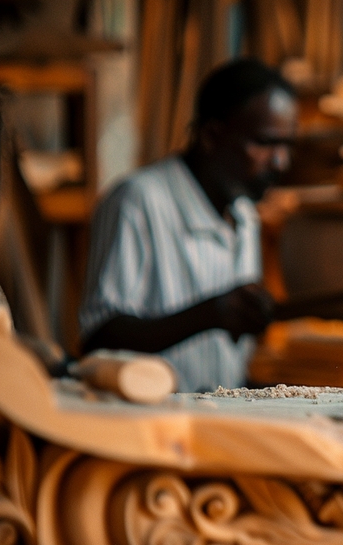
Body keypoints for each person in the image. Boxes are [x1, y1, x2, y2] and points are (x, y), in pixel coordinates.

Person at [79, 59, 297, 393]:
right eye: (265, 143)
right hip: (147, 424)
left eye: (286, 145)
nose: (281, 161)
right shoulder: (138, 201)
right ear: (211, 135)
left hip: (216, 419)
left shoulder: (244, 216)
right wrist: (208, 315)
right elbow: (99, 338)